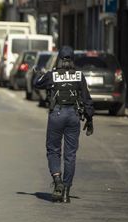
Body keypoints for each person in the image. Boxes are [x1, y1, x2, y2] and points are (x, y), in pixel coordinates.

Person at [34, 46, 94, 203]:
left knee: (53, 150)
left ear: (59, 59)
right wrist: (90, 119)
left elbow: (37, 83)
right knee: (70, 155)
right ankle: (66, 191)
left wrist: (40, 74)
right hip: (74, 116)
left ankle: (57, 181)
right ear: (72, 59)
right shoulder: (79, 76)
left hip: (57, 115)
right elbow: (87, 99)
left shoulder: (52, 75)